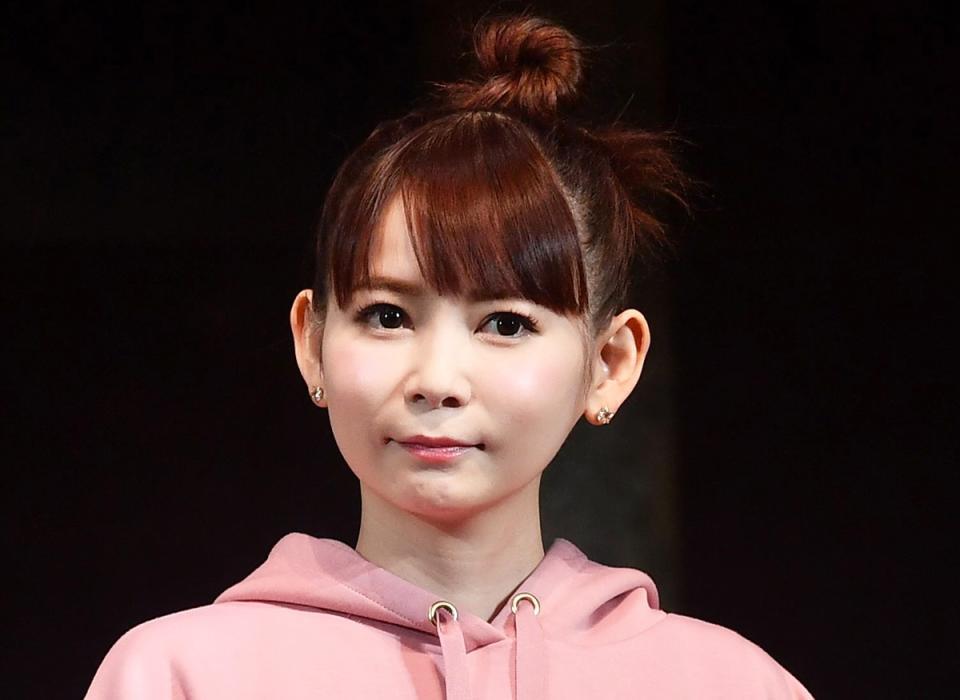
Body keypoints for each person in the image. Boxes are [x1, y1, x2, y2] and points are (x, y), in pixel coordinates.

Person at [86, 13, 813, 700]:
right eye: (388, 316)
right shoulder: (181, 676)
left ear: (610, 363)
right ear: (311, 342)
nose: (436, 381)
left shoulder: (729, 684)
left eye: (505, 323)